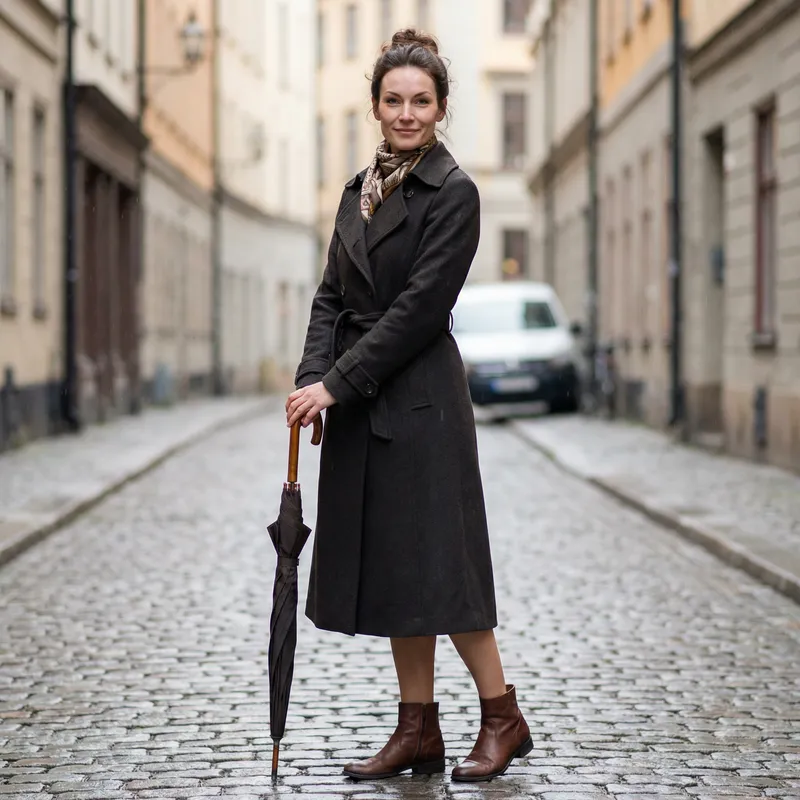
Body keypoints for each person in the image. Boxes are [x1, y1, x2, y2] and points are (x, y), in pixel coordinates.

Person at [285, 29, 531, 783]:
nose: (406, 113)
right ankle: (417, 729)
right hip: (363, 403)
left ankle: (502, 716)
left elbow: (420, 310)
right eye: (393, 100)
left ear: (442, 107)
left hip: (421, 404)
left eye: (421, 101)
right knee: (398, 572)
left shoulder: (454, 192)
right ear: (375, 106)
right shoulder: (358, 189)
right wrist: (311, 379)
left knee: (444, 570)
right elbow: (331, 294)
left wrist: (339, 380)